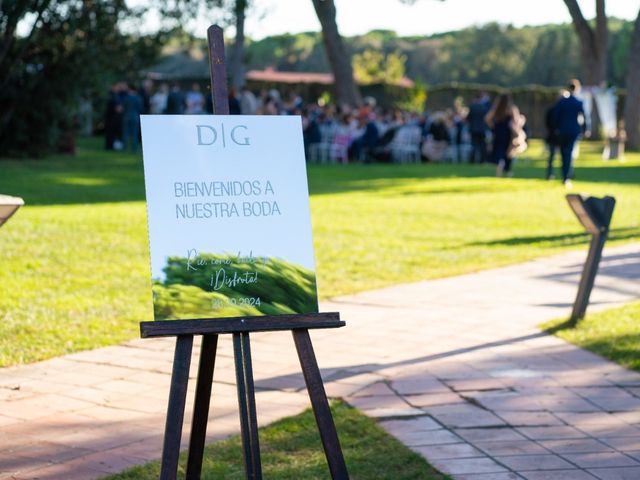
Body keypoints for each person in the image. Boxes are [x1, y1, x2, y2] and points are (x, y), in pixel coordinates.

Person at [550, 79, 587, 188]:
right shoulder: (577, 102)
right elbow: (584, 118)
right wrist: (585, 129)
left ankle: (565, 175)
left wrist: (555, 128)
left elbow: (555, 117)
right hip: (573, 131)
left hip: (562, 131)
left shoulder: (562, 102)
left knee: (563, 153)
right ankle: (567, 176)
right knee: (569, 153)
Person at [485, 94, 525, 177]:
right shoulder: (512, 109)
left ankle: (498, 171)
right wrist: (522, 120)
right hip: (508, 132)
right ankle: (508, 171)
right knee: (508, 152)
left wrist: (493, 126)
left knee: (499, 150)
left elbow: (487, 118)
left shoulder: (496, 109)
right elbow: (516, 122)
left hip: (498, 131)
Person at [467, 92, 490, 163]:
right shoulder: (484, 108)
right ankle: (482, 160)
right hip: (482, 129)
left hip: (473, 129)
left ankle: (472, 160)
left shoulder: (472, 107)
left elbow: (468, 118)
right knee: (482, 145)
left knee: (474, 145)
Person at [121, 83, 143, 152]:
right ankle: (134, 148)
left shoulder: (126, 98)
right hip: (135, 117)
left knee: (126, 133)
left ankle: (125, 147)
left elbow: (123, 108)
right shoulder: (138, 98)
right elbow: (140, 108)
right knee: (134, 133)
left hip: (126, 116)